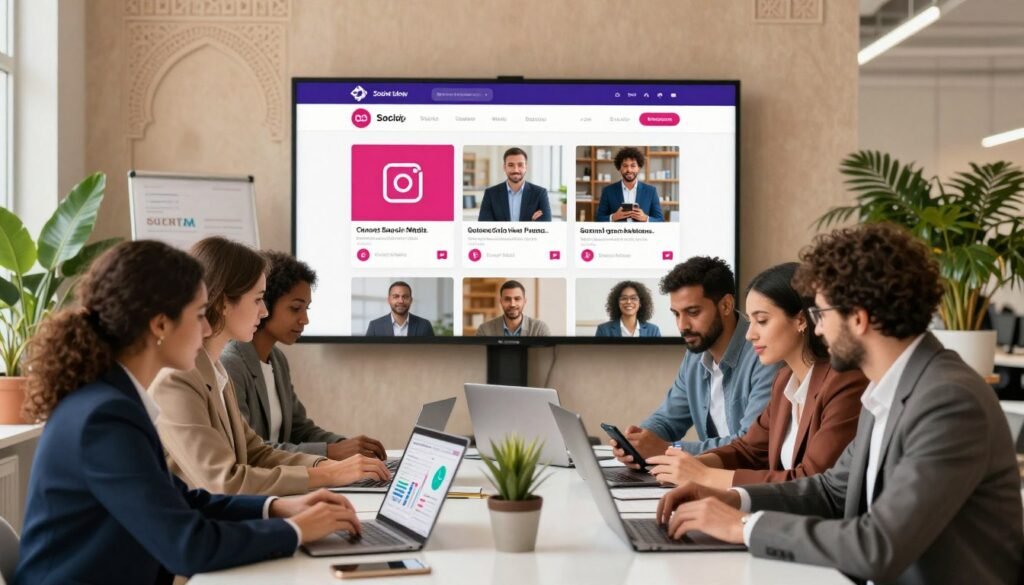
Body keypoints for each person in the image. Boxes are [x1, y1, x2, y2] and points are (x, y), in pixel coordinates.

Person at [657, 224, 1023, 585]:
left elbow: (879, 545)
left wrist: (742, 526)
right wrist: (731, 499)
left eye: (820, 315)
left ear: (858, 318)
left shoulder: (947, 401)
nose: (817, 329)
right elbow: (831, 490)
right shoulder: (888, 389)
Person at [15, 241, 362, 585]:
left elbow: (181, 498)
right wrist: (295, 530)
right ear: (160, 326)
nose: (208, 328)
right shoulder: (105, 418)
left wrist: (275, 508)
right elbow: (188, 546)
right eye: (198, 316)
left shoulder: (114, 401)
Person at [149, 237, 390, 496]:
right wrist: (331, 474)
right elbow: (224, 482)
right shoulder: (176, 379)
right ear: (223, 303)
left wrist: (333, 466)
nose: (264, 311)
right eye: (258, 300)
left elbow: (256, 453)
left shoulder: (215, 371)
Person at [646, 263, 867, 488]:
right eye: (750, 321)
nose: (750, 334)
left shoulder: (844, 382)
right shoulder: (784, 381)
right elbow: (749, 450)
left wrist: (704, 476)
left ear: (800, 320)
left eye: (761, 321)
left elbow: (811, 482)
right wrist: (689, 466)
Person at [223, 251, 387, 460]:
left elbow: (299, 428)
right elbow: (248, 450)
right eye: (295, 308)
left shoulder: (277, 360)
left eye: (306, 309)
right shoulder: (231, 364)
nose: (305, 320)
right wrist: (330, 452)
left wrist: (345, 445)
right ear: (266, 303)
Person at [609, 257, 776, 461]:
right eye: (676, 314)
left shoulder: (765, 354)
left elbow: (750, 445)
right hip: (710, 475)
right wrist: (637, 443)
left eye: (693, 312)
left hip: (746, 477)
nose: (682, 326)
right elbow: (667, 419)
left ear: (726, 305)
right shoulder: (695, 356)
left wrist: (669, 449)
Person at [477, 147, 551, 221]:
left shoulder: (540, 193)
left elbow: (546, 225)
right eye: (511, 165)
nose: (516, 170)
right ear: (504, 167)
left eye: (520, 165)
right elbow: (484, 226)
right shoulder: (490, 194)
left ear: (526, 167)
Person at [596, 147, 664, 222]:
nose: (629, 170)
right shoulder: (608, 191)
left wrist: (645, 218)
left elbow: (660, 220)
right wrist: (613, 217)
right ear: (619, 168)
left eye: (633, 166)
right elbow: (598, 219)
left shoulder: (651, 191)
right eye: (625, 166)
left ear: (639, 167)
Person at [475, 280, 551, 336]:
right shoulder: (484, 330)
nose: (512, 304)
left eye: (517, 299)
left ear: (524, 301)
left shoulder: (540, 329)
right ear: (501, 301)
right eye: (507, 299)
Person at [364, 281, 435, 336]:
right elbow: (367, 350)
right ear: (389, 300)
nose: (401, 301)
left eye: (405, 297)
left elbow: (432, 350)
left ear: (411, 300)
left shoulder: (424, 325)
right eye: (396, 296)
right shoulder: (375, 326)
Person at [595, 280, 662, 337]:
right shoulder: (603, 330)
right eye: (624, 298)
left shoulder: (653, 331)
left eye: (633, 298)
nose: (629, 301)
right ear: (617, 302)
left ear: (640, 303)